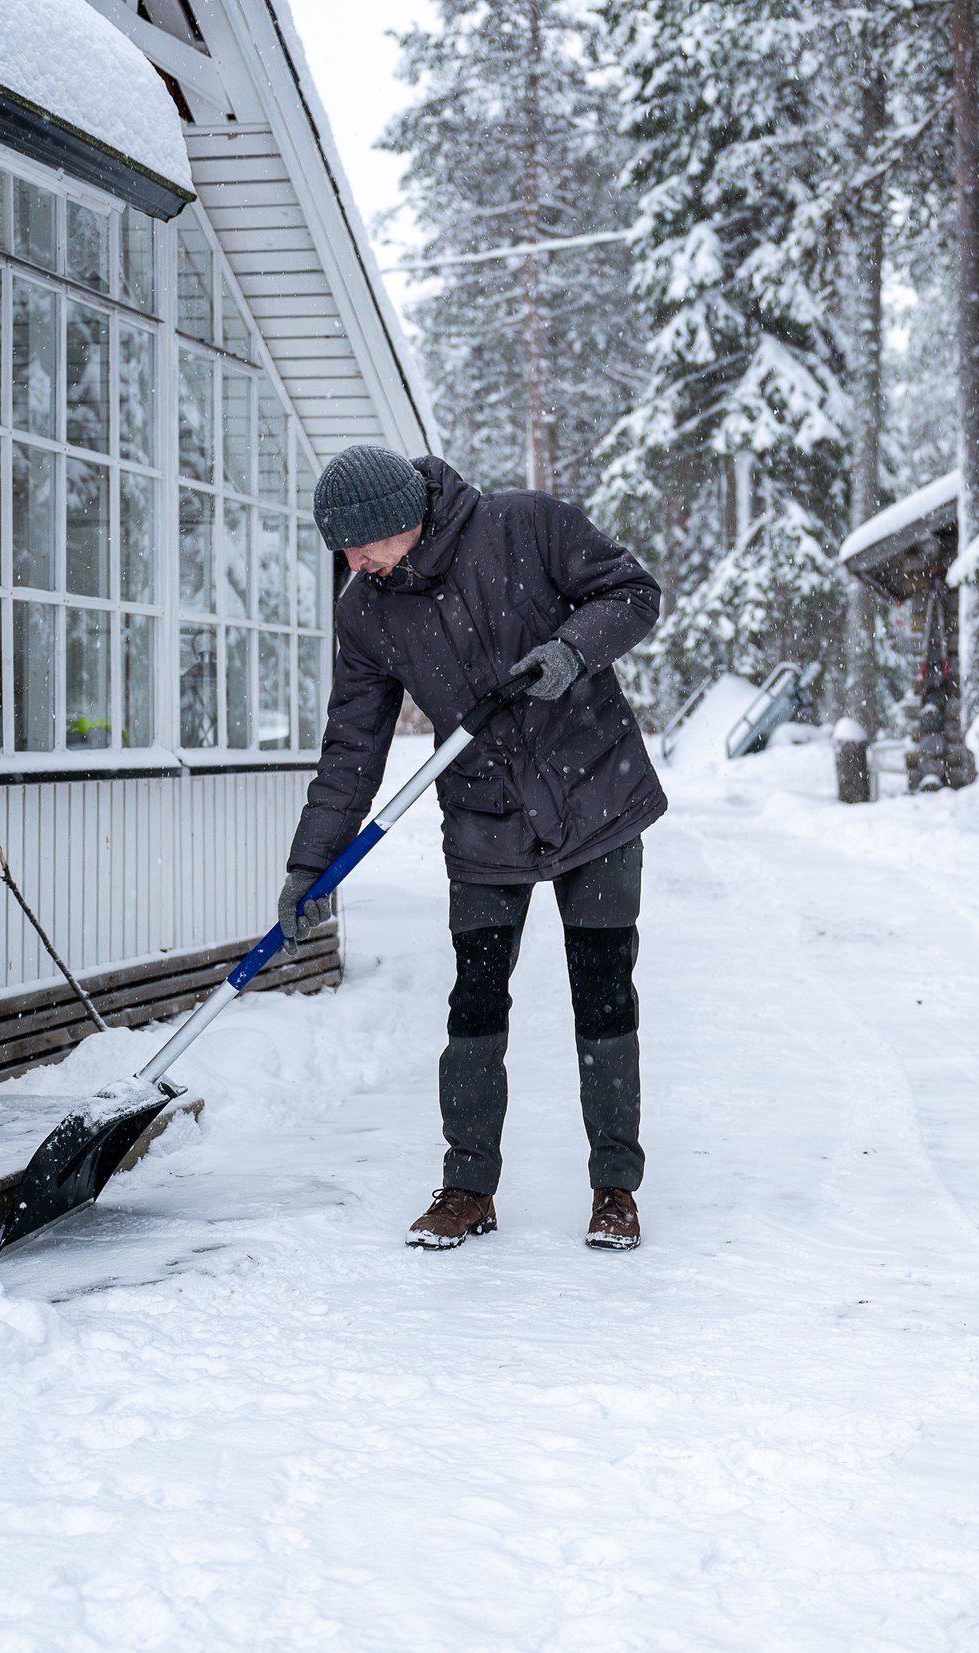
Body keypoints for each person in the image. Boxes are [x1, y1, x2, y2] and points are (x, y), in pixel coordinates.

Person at [280, 445, 666, 1251]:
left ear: (399, 517)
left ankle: (615, 1186)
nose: (352, 564)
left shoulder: (526, 526)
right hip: (486, 819)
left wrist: (572, 649)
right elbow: (352, 746)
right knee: (475, 1004)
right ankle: (467, 1187)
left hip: (596, 794)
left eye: (358, 545)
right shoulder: (368, 611)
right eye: (344, 553)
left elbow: (634, 593)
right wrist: (310, 866)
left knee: (603, 996)